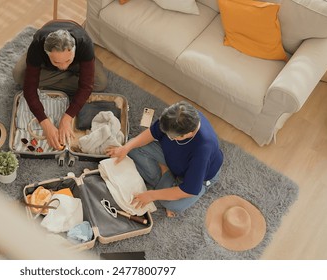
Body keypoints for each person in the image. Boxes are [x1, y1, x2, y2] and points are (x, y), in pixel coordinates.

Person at [106, 101, 223, 217]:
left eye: (171, 136)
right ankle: (167, 177)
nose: (166, 136)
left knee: (172, 204)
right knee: (132, 146)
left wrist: (151, 195)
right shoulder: (177, 114)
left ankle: (165, 176)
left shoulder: (203, 149)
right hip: (171, 156)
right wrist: (126, 148)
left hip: (196, 176)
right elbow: (152, 133)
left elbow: (188, 190)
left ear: (189, 134)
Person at [13, 20, 108, 150]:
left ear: (74, 50)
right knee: (19, 76)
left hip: (77, 65)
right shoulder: (37, 46)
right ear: (47, 54)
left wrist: (67, 117)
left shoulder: (85, 44)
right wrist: (45, 123)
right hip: (48, 66)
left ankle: (73, 72)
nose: (63, 66)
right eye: (57, 61)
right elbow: (29, 89)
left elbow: (86, 87)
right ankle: (72, 75)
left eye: (67, 60)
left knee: (100, 83)